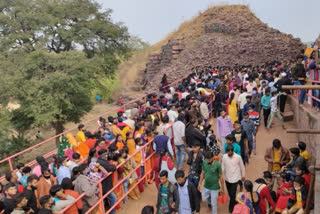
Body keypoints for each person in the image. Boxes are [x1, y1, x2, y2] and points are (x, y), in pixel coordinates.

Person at [222, 144, 245, 213]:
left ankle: (231, 209)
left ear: (232, 151)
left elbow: (242, 166)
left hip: (236, 178)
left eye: (230, 153)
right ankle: (234, 202)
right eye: (228, 152)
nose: (229, 154)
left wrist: (243, 175)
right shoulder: (224, 157)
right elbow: (222, 166)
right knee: (230, 194)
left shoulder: (238, 157)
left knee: (232, 195)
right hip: (227, 179)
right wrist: (220, 173)